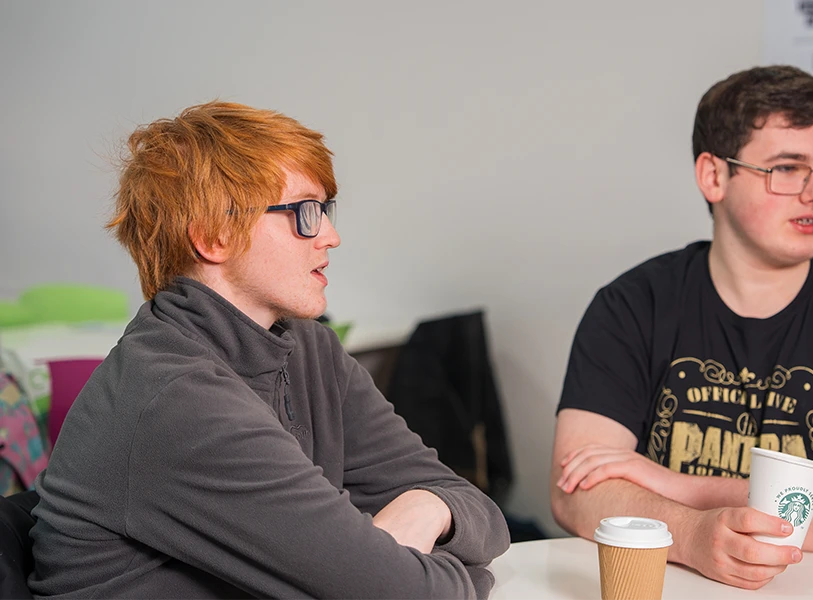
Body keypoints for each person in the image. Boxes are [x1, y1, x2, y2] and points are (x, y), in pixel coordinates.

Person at [28, 101, 509, 599]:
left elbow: (480, 514)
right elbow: (407, 593)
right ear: (214, 236)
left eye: (325, 210)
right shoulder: (174, 399)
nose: (331, 235)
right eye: (304, 212)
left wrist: (429, 508)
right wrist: (453, 571)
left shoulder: (310, 347)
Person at [550, 65, 813, 590]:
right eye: (786, 169)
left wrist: (677, 488)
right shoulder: (631, 305)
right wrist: (693, 535)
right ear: (713, 176)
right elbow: (577, 492)